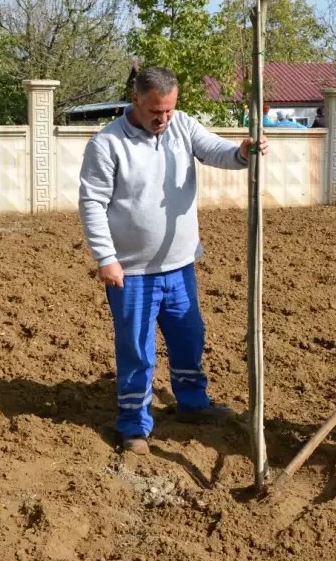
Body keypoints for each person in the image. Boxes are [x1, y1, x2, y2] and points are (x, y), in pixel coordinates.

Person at [78, 66, 267, 455]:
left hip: (180, 264)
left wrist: (242, 151)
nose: (163, 119)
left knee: (189, 336)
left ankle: (193, 404)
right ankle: (134, 424)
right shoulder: (107, 144)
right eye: (155, 112)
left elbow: (215, 149)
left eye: (168, 110)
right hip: (131, 270)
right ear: (136, 101)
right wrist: (106, 257)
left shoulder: (182, 125)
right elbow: (92, 203)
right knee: (137, 348)